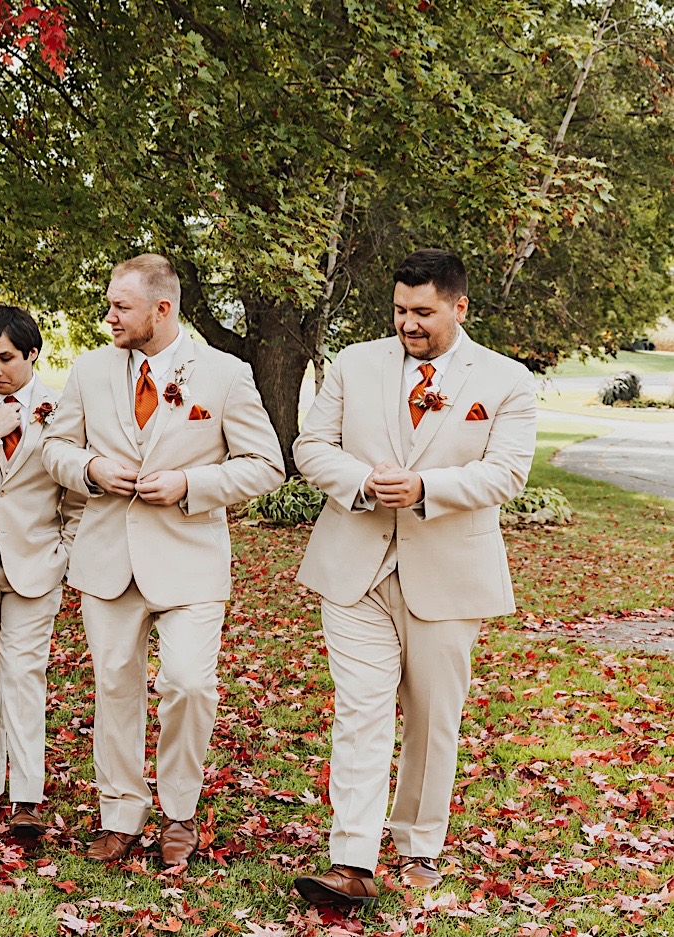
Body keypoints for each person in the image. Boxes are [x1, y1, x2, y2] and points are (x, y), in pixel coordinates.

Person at [291, 249, 536, 907]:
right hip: (355, 567)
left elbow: (507, 473)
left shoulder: (507, 380)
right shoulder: (353, 363)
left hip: (450, 572)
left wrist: (427, 486)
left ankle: (419, 843)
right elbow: (311, 447)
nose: (408, 323)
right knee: (361, 708)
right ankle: (351, 860)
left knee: (432, 717)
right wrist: (363, 483)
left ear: (458, 306)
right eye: (400, 310)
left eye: (423, 312)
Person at [42, 253, 283, 865]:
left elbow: (265, 465)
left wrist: (189, 485)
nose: (109, 316)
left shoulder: (226, 375)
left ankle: (180, 811)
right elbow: (56, 447)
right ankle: (119, 812)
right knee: (115, 686)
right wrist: (91, 469)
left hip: (190, 561)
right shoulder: (90, 371)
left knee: (190, 683)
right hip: (106, 559)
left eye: (121, 306)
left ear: (162, 308)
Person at [0, 304, 84, 836]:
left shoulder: (65, 406)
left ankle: (27, 794)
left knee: (25, 675)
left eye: (5, 358)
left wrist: (65, 552)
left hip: (36, 565)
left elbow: (75, 492)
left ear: (32, 353)